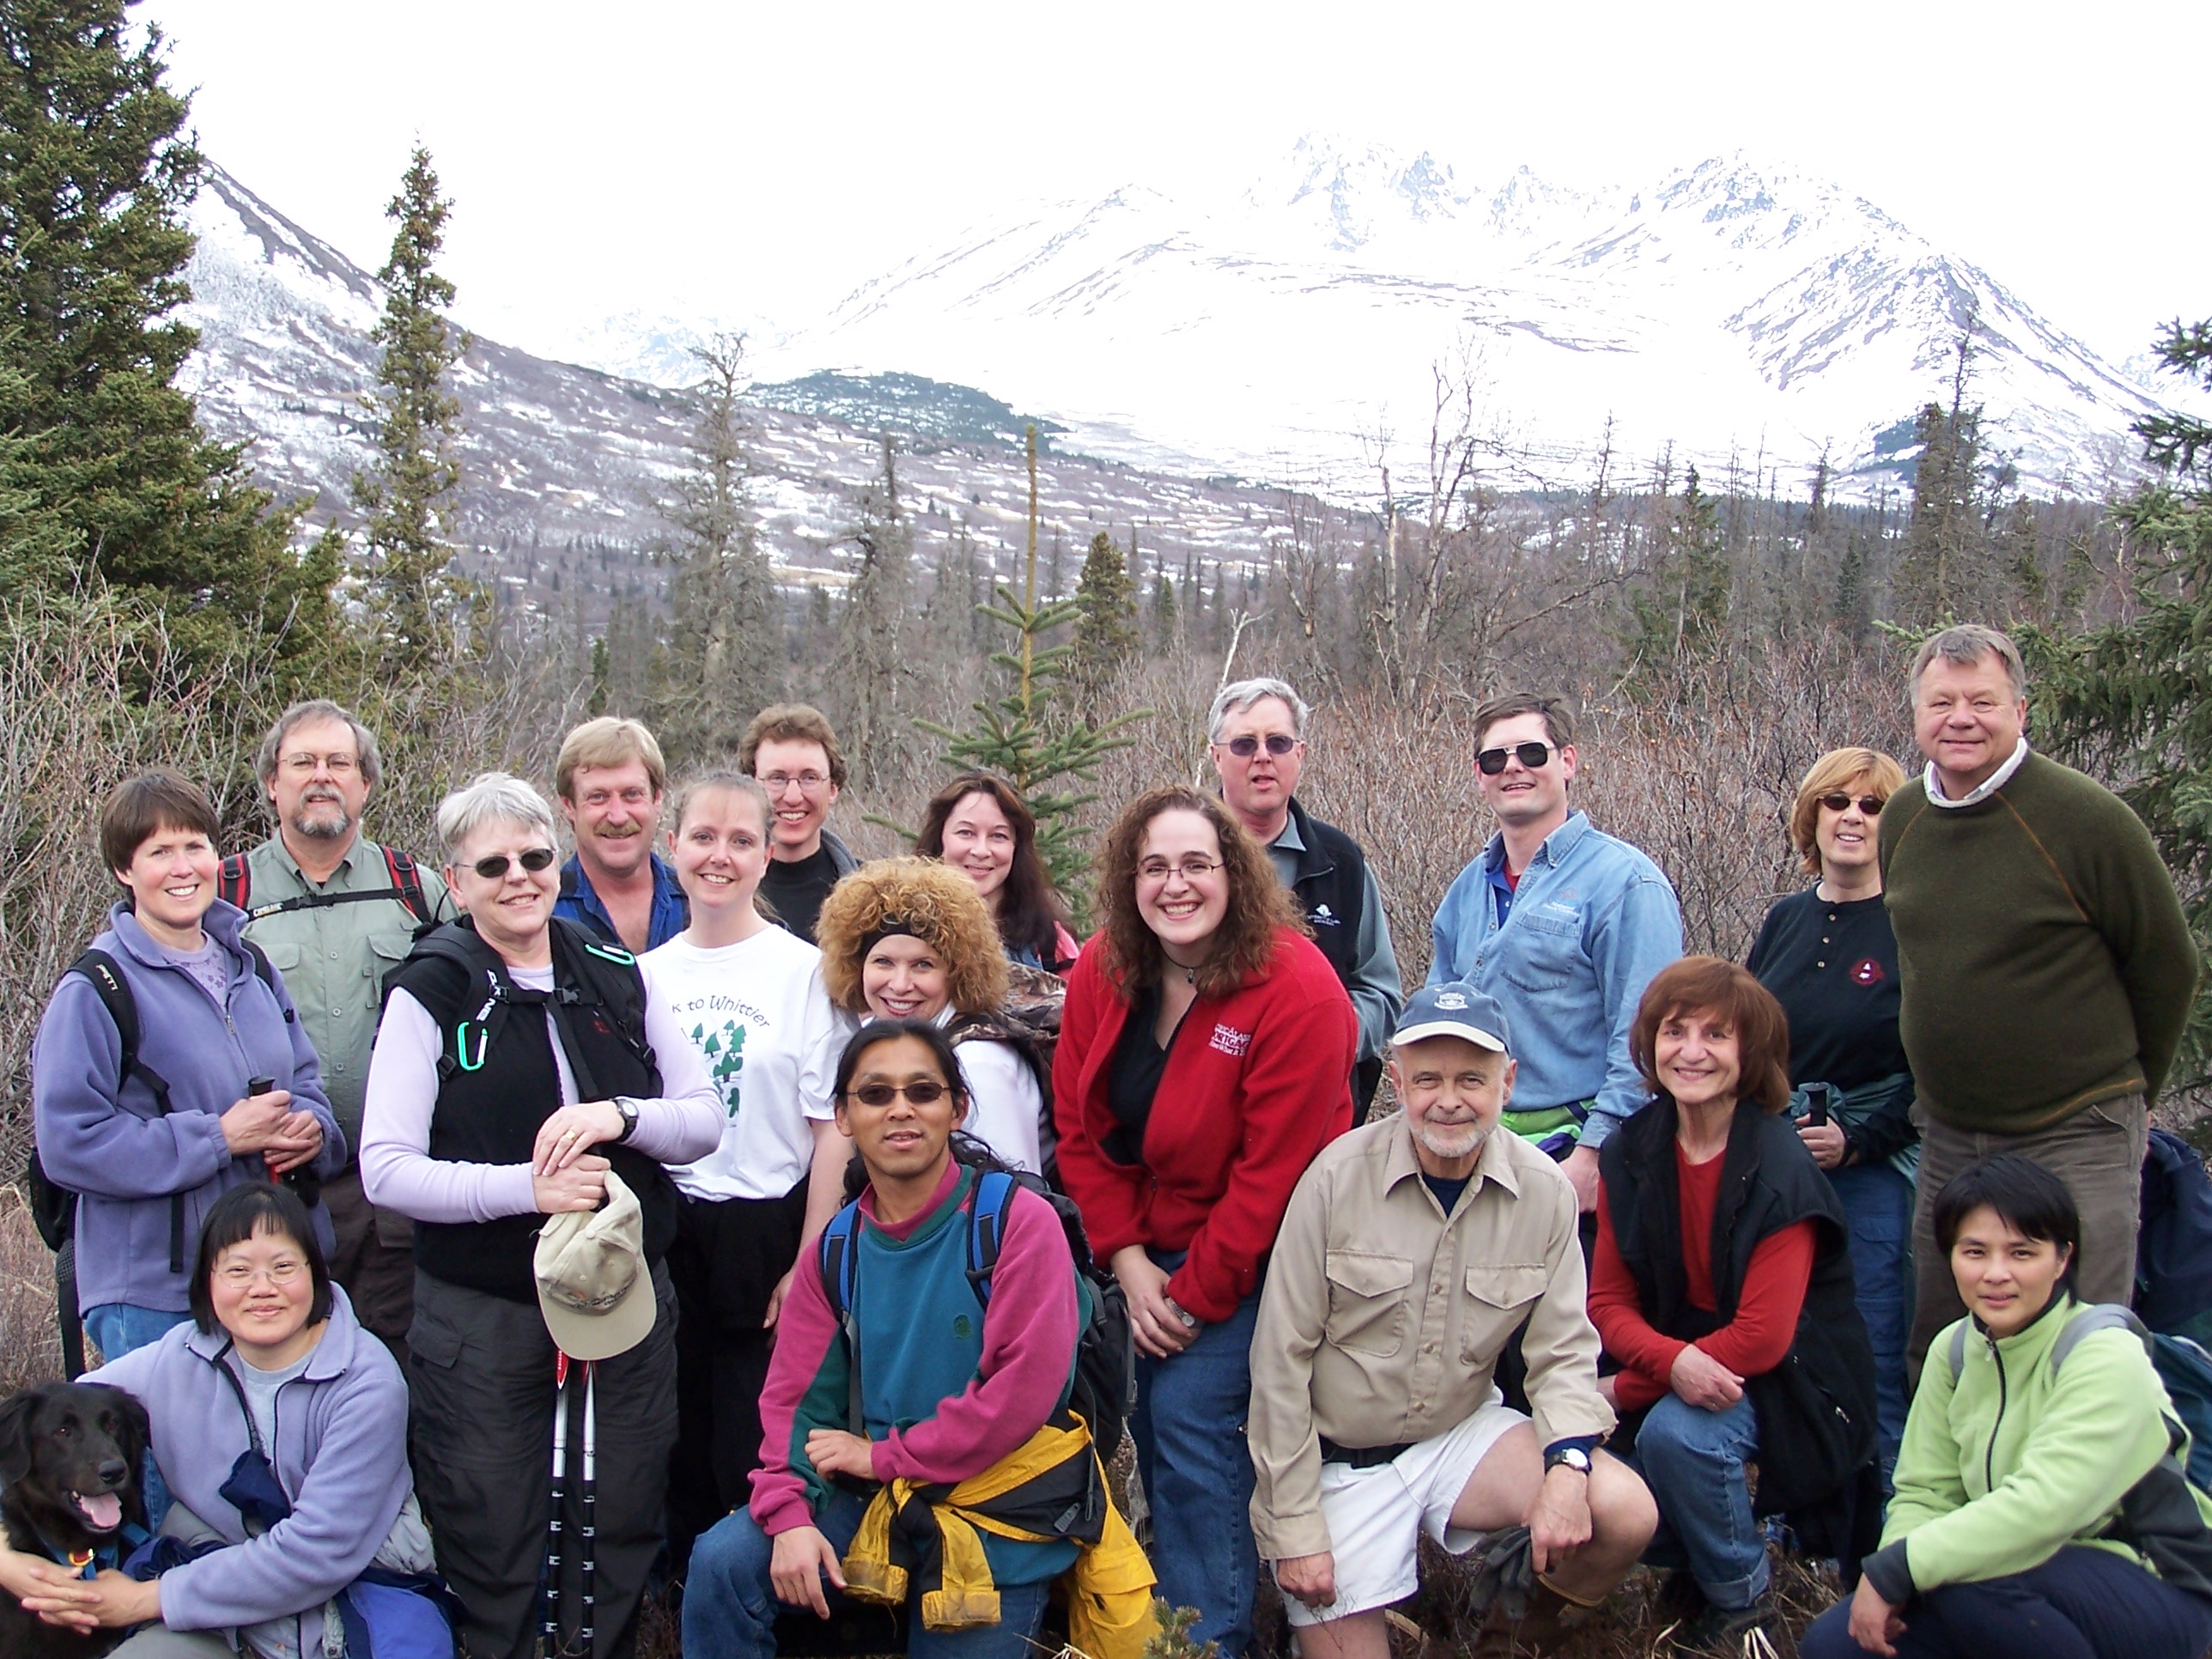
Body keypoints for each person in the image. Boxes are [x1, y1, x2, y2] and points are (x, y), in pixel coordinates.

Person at [361, 771, 721, 1659]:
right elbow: (386, 1170)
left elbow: (702, 1119)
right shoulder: (431, 990)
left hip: (623, 1289)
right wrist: (527, 1188)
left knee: (624, 1497)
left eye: (533, 858)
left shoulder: (612, 970)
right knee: (491, 1514)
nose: (519, 877)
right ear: (457, 882)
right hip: (486, 1309)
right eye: (493, 866)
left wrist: (620, 1117)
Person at [683, 1019, 1153, 1659]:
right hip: (880, 1501)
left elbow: (1018, 1399)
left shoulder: (1016, 1223)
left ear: (957, 1108)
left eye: (923, 1091)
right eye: (875, 1094)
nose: (900, 1109)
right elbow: (795, 1404)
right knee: (723, 1563)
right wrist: (788, 1512)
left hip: (999, 1514)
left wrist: (881, 1456)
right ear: (843, 1117)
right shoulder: (838, 1248)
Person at [1249, 984, 1657, 1657]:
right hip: (1339, 1464)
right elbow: (1279, 1364)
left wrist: (1567, 1466)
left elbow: (1562, 1354)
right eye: (1428, 1080)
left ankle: (1508, 1640)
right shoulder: (1335, 1179)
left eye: (1472, 1079)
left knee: (1624, 1510)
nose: (1449, 1100)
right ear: (1397, 1081)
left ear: (1508, 1082)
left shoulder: (1544, 1191)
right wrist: (1294, 1527)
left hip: (1461, 1436)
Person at [1054, 784, 1358, 1657]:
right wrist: (1127, 1259)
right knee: (1149, 1423)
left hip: (1269, 1252)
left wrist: (1191, 1297)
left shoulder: (1295, 986)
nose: (1175, 884)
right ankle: (1198, 1609)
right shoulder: (1108, 964)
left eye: (1196, 864)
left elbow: (1274, 1177)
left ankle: (1209, 1640)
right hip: (1146, 1249)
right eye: (1153, 867)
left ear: (1236, 873)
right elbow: (1078, 1126)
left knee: (1188, 1414)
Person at [1879, 625, 2200, 1368]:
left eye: (1983, 701)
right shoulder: (1904, 818)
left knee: (2083, 1349)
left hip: (2076, 1129)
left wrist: (2131, 1092)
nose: (1961, 719)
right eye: (1942, 702)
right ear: (1918, 714)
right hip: (1949, 1134)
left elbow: (2167, 965)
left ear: (2020, 711)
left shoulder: (2085, 819)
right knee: (1946, 1350)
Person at [1800, 1155, 2212, 1659]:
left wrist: (1901, 1568)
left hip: (2153, 1582)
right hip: (2017, 1579)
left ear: (2061, 1259)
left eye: (2022, 1253)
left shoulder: (2103, 1351)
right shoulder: (1954, 1349)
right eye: (1974, 1251)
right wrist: (1898, 1576)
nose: (1996, 1274)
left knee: (1967, 1583)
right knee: (1835, 1644)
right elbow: (1925, 1491)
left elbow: (2045, 1504)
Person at [0, 1182, 429, 1659]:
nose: (262, 1288)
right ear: (208, 1280)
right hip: (218, 1614)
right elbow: (38, 1427)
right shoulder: (175, 1360)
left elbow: (317, 1553)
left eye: (283, 1267)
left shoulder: (367, 1383)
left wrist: (142, 1600)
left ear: (317, 1271)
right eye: (238, 1270)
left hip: (356, 1603)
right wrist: (5, 1561)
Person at [1588, 957, 1879, 1653]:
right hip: (1684, 1359)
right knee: (1582, 1457)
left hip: (1795, 1379)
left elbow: (1762, 1338)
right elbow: (1609, 1300)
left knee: (1675, 1436)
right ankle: (1695, 1563)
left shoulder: (1780, 1165)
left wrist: (1631, 1386)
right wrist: (1667, 1365)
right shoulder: (1631, 1150)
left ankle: (1743, 1604)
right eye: (1675, 1031)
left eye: (1715, 1035)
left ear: (1750, 1053)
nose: (1691, 1052)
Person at [32, 769, 343, 1365]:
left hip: (273, 1282)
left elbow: (304, 1082)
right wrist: (219, 1138)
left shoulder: (252, 966)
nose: (182, 868)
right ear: (124, 870)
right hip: (158, 1295)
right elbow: (69, 1144)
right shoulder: (97, 989)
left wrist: (313, 1131)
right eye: (159, 852)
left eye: (195, 846)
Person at [642, 772, 851, 1570]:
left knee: (752, 1433)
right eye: (702, 837)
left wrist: (809, 1259)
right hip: (673, 1224)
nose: (719, 857)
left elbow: (831, 1127)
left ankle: (756, 1591)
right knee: (674, 1430)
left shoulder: (804, 973)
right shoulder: (645, 975)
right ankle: (676, 1598)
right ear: (673, 847)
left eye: (740, 841)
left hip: (767, 1226)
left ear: (767, 855)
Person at [225, 699, 451, 1362]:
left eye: (338, 763)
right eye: (303, 762)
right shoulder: (224, 896)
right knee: (278, 1369)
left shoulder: (416, 891)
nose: (321, 776)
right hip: (269, 1195)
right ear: (272, 783)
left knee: (397, 1374)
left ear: (366, 784)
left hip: (391, 1201)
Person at [1426, 693, 1683, 1218]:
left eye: (1531, 753)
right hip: (1473, 1152)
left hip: (1578, 1160)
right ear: (1478, 776)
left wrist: (1595, 1154)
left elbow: (1644, 1038)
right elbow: (1437, 1022)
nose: (1512, 768)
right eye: (1494, 759)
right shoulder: (1466, 891)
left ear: (1567, 761)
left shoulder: (1626, 884)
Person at [1748, 746, 1917, 1470]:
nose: (1852, 817)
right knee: (1784, 1340)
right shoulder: (1785, 919)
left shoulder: (1913, 924)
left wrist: (1856, 1140)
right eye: (1836, 802)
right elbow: (1747, 1038)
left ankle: (1886, 1512)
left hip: (1875, 1172)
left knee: (1873, 1347)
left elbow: (1932, 1067)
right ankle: (1802, 1502)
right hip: (1778, 1173)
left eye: (1873, 806)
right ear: (1810, 816)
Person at [1207, 678, 1403, 1121]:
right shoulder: (1178, 856)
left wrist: (1324, 1042)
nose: (1262, 757)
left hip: (1319, 1115)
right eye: (1244, 744)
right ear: (1216, 756)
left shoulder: (1342, 863)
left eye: (1278, 742)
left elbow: (1381, 993)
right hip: (1201, 1106)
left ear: (1300, 754)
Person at [815, 857, 1049, 1174]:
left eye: (922, 965)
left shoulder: (980, 1065)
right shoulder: (871, 1035)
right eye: (883, 962)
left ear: (957, 972)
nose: (900, 985)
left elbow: (1017, 1189)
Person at [914, 772, 1080, 973]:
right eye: (966, 833)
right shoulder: (900, 928)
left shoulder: (1051, 944)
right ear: (940, 838)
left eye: (998, 836)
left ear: (1016, 847)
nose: (981, 851)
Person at [552, 716, 689, 954]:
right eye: (598, 797)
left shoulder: (697, 902)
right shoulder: (546, 916)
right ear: (569, 806)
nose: (618, 817)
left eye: (632, 794)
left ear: (657, 799)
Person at [738, 703, 860, 945]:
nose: (793, 797)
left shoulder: (872, 898)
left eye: (809, 778)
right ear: (750, 787)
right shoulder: (715, 892)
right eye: (777, 778)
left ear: (833, 789)